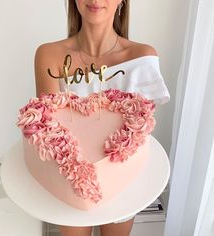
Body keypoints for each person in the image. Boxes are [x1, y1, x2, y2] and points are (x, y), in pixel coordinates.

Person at [34, 1, 165, 235]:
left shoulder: (142, 58)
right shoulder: (49, 55)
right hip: (69, 182)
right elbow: (50, 134)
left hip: (122, 183)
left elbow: (138, 139)